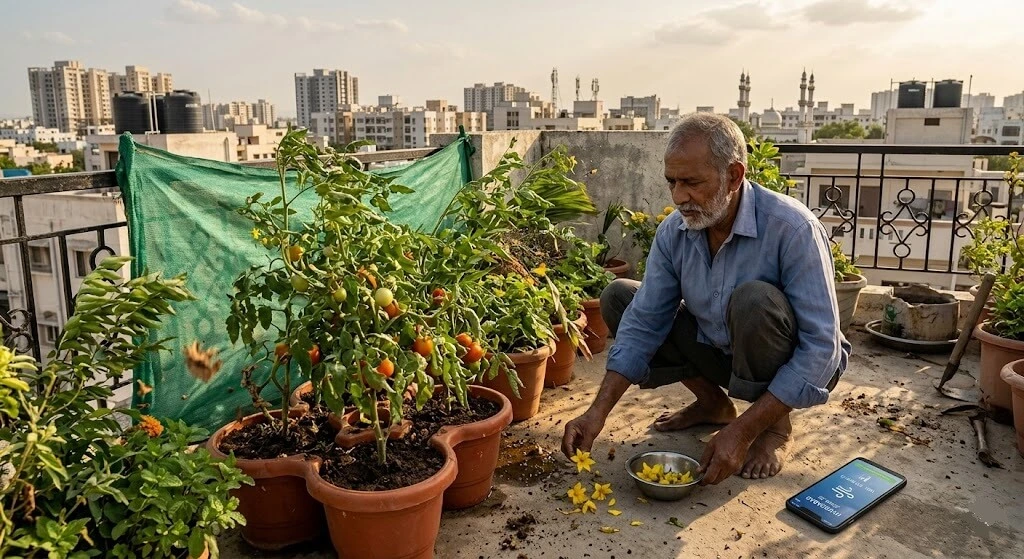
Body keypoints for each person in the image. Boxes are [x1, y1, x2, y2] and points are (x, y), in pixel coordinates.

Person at [561, 113, 849, 485]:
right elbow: (646, 320)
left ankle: (776, 428)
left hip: (786, 356)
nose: (679, 196)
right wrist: (596, 412)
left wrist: (744, 432)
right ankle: (713, 404)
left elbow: (821, 349)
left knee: (754, 301)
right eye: (672, 182)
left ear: (734, 175)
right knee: (620, 298)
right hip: (718, 351)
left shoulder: (793, 228)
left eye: (692, 183)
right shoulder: (675, 231)